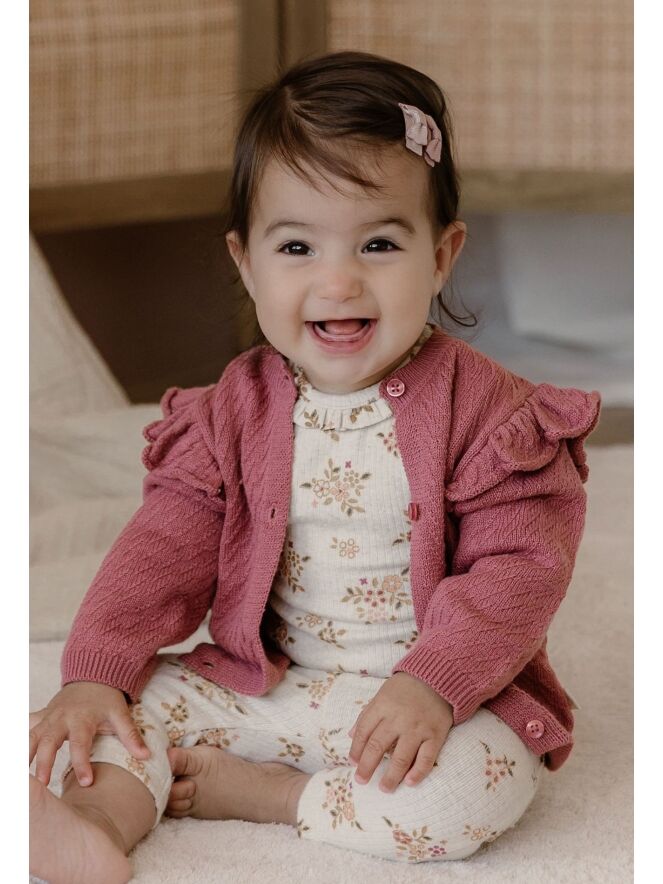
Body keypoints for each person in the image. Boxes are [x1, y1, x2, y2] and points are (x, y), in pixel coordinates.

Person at [29, 50, 601, 881]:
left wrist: (435, 684)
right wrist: (93, 670)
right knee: (124, 711)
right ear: (245, 261)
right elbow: (161, 549)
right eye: (296, 246)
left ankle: (273, 796)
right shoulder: (232, 410)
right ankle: (93, 822)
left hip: (429, 699)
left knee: (473, 785)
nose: (338, 281)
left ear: (441, 256)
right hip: (272, 682)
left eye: (378, 243)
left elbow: (519, 571)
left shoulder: (492, 416)